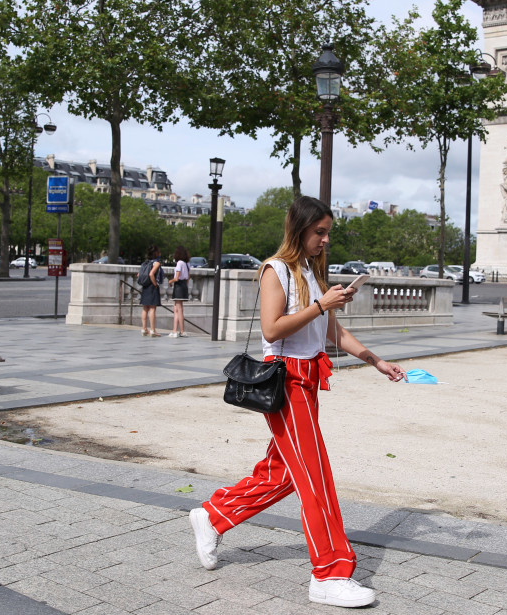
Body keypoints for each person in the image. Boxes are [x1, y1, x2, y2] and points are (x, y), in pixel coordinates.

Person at [189, 196, 406, 609]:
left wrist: (376, 360)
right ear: (299, 229)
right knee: (315, 476)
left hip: (308, 380)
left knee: (285, 472)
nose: (325, 240)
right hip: (286, 380)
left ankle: (214, 515)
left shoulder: (312, 271)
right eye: (318, 232)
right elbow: (272, 329)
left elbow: (333, 334)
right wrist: (320, 304)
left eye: (328, 233)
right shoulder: (276, 270)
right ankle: (330, 572)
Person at [139, 245, 163, 337]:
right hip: (152, 287)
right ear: (156, 253)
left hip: (145, 287)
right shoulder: (156, 263)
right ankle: (153, 330)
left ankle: (144, 328)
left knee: (145, 308)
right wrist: (155, 284)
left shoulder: (145, 263)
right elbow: (151, 274)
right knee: (152, 308)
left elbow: (139, 274)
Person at [168, 246, 190, 338]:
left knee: (178, 309)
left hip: (178, 286)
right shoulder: (187, 264)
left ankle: (180, 330)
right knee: (177, 309)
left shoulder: (179, 263)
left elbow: (177, 277)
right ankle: (176, 330)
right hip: (184, 285)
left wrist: (170, 281)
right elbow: (188, 278)